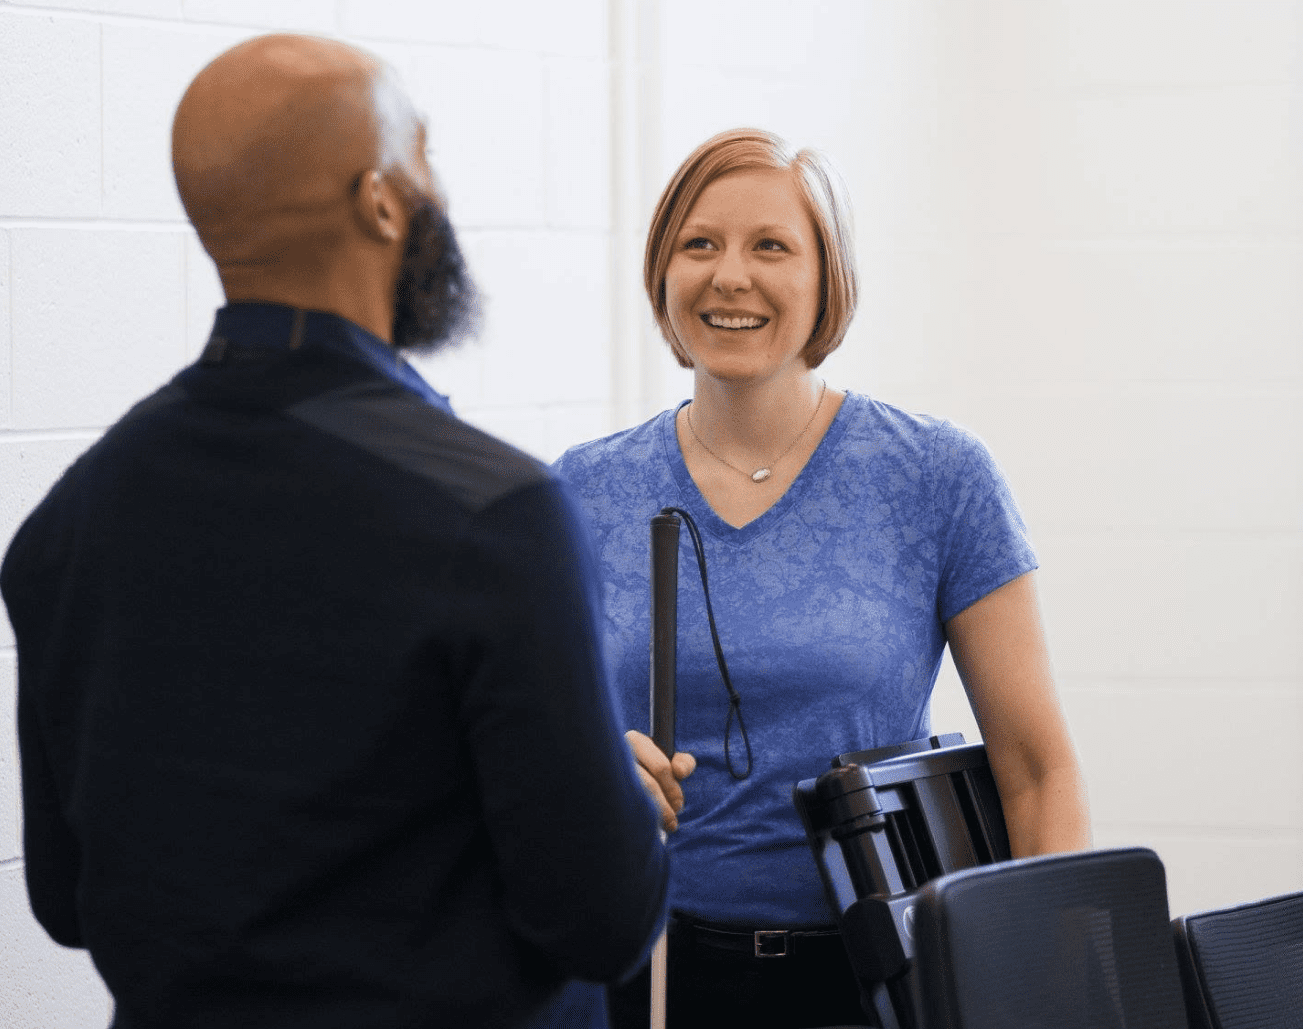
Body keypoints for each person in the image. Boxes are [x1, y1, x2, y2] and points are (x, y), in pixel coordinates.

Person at [1, 34, 667, 1029]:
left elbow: (64, 901)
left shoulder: (63, 524)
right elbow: (602, 921)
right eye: (425, 155)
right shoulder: (496, 512)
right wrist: (607, 786)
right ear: (382, 200)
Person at [552, 128, 1092, 1028]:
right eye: (699, 244)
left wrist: (1035, 985)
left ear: (826, 275)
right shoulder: (583, 485)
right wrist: (590, 772)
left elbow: (1037, 771)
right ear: (661, 271)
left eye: (770, 245)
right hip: (648, 973)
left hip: (877, 975)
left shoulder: (936, 475)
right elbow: (524, 754)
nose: (730, 275)